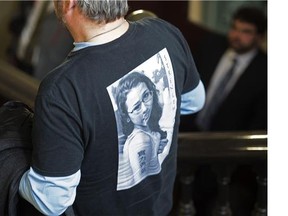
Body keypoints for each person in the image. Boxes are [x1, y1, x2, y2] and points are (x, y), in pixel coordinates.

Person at [18, 0, 205, 215]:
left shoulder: (62, 89)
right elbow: (195, 101)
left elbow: (51, 201)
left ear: (69, 4)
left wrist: (13, 174)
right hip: (160, 207)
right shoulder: (165, 32)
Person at [180, 6, 267, 132]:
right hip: (187, 127)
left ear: (260, 37)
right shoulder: (210, 46)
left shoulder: (265, 70)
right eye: (234, 28)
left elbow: (259, 119)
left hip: (227, 140)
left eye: (246, 32)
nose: (236, 36)